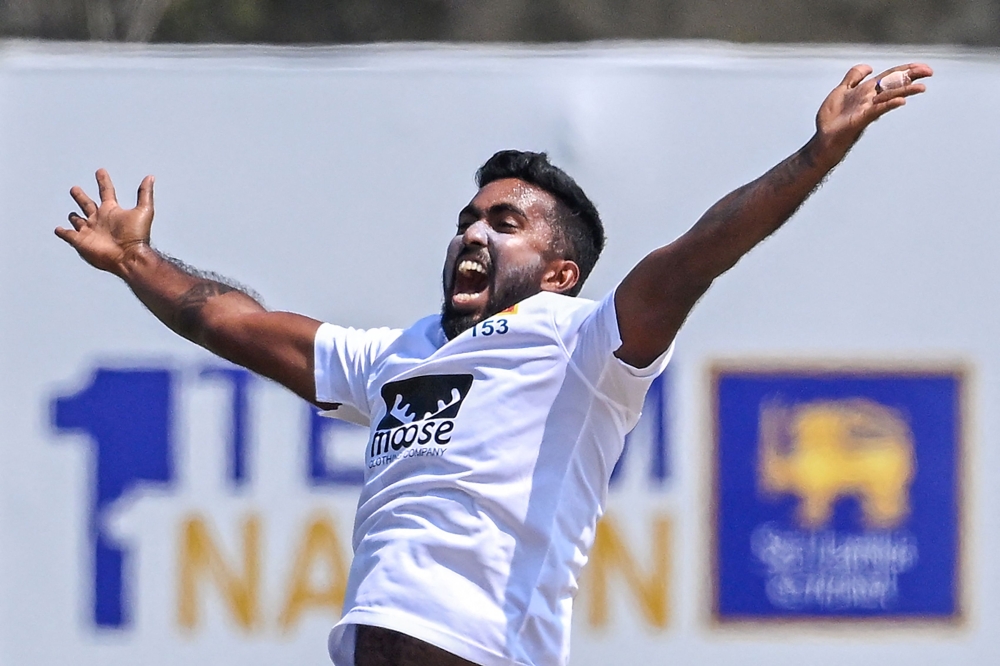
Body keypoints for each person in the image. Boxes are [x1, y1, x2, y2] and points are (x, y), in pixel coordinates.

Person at [55, 62, 931, 666]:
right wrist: (139, 262)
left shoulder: (580, 345)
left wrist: (816, 155)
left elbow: (699, 253)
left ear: (560, 273)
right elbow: (236, 324)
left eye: (505, 223)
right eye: (469, 219)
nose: (473, 232)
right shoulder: (397, 354)